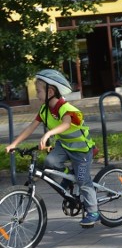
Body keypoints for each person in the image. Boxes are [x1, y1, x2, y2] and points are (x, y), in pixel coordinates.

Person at [5, 70, 99, 227]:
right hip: (64, 146)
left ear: (50, 91)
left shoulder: (64, 108)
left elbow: (66, 124)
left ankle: (93, 211)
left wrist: (48, 133)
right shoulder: (44, 110)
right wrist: (14, 144)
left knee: (83, 180)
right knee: (50, 161)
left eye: (39, 91)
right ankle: (69, 179)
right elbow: (30, 128)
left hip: (81, 149)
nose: (37, 95)